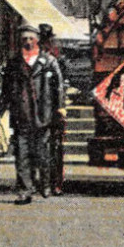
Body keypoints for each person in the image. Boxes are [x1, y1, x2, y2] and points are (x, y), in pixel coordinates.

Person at [0, 24, 49, 204]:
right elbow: (5, 89)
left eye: (31, 39)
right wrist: (0, 109)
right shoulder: (14, 63)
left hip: (42, 116)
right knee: (22, 155)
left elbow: (57, 86)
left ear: (37, 40)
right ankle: (24, 191)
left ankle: (43, 183)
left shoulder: (47, 62)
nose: (28, 42)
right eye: (24, 39)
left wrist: (59, 108)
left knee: (41, 154)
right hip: (21, 115)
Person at [36, 23, 69, 195]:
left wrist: (61, 109)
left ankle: (55, 183)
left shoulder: (57, 58)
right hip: (41, 109)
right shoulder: (37, 57)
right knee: (43, 148)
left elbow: (60, 87)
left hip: (53, 108)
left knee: (55, 148)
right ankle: (45, 183)